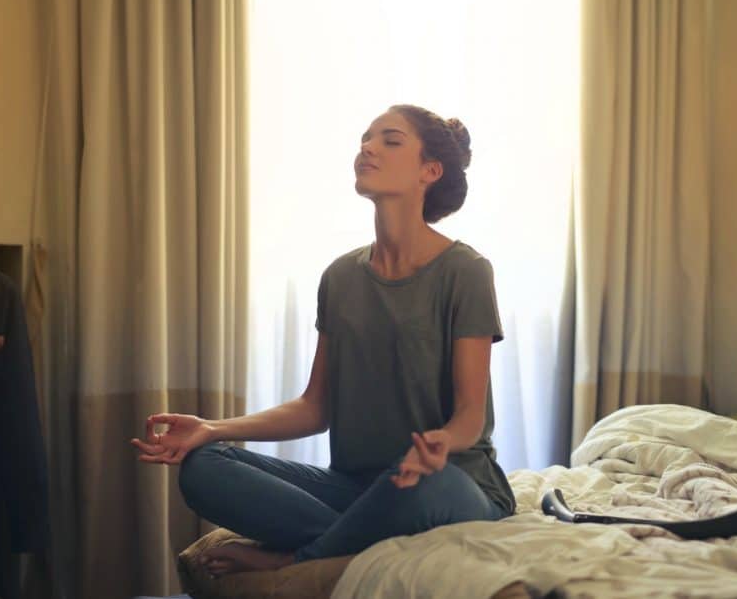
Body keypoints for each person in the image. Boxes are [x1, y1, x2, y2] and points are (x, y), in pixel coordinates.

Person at [131, 104, 515, 576]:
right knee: (205, 466)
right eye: (365, 139)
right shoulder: (340, 277)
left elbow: (470, 414)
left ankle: (298, 558)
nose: (367, 148)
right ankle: (355, 539)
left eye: (390, 140)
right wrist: (213, 428)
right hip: (354, 488)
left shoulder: (466, 272)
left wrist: (441, 440)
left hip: (446, 482)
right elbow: (315, 407)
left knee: (422, 486)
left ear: (429, 171)